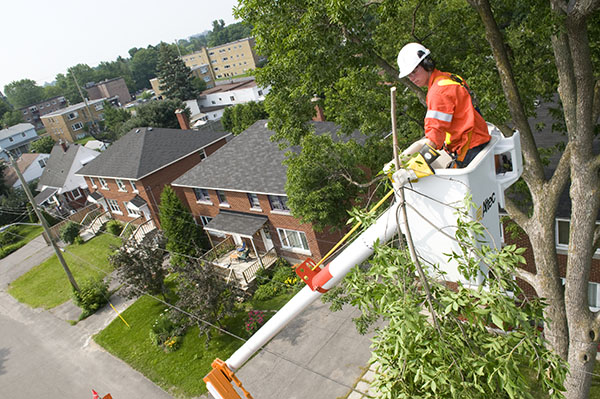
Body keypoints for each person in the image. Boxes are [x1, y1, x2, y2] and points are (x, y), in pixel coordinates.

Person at [397, 43, 490, 168]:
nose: (412, 78)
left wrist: (415, 167)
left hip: (469, 149)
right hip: (478, 139)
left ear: (427, 64)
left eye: (414, 71)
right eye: (409, 75)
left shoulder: (438, 92)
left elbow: (434, 137)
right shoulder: (450, 78)